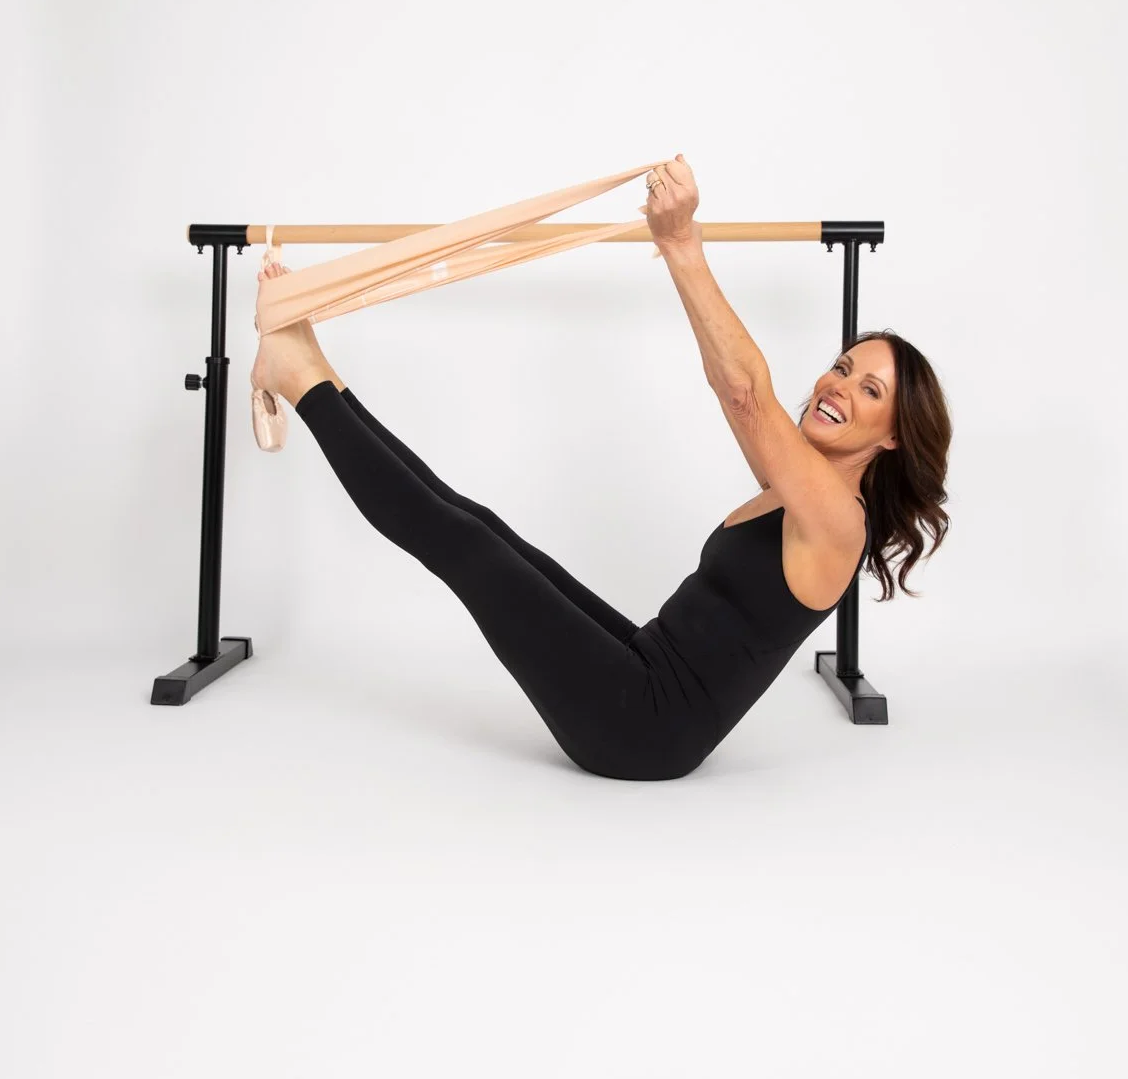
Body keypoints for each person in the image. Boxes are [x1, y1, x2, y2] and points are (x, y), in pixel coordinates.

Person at [249, 157, 951, 779]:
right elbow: (726, 386)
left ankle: (299, 375)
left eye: (870, 392)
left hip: (641, 729)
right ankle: (314, 369)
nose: (838, 386)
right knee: (480, 526)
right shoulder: (801, 486)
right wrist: (677, 247)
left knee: (459, 545)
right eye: (842, 367)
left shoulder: (837, 521)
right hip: (643, 673)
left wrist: (680, 243)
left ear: (893, 437)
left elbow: (747, 394)